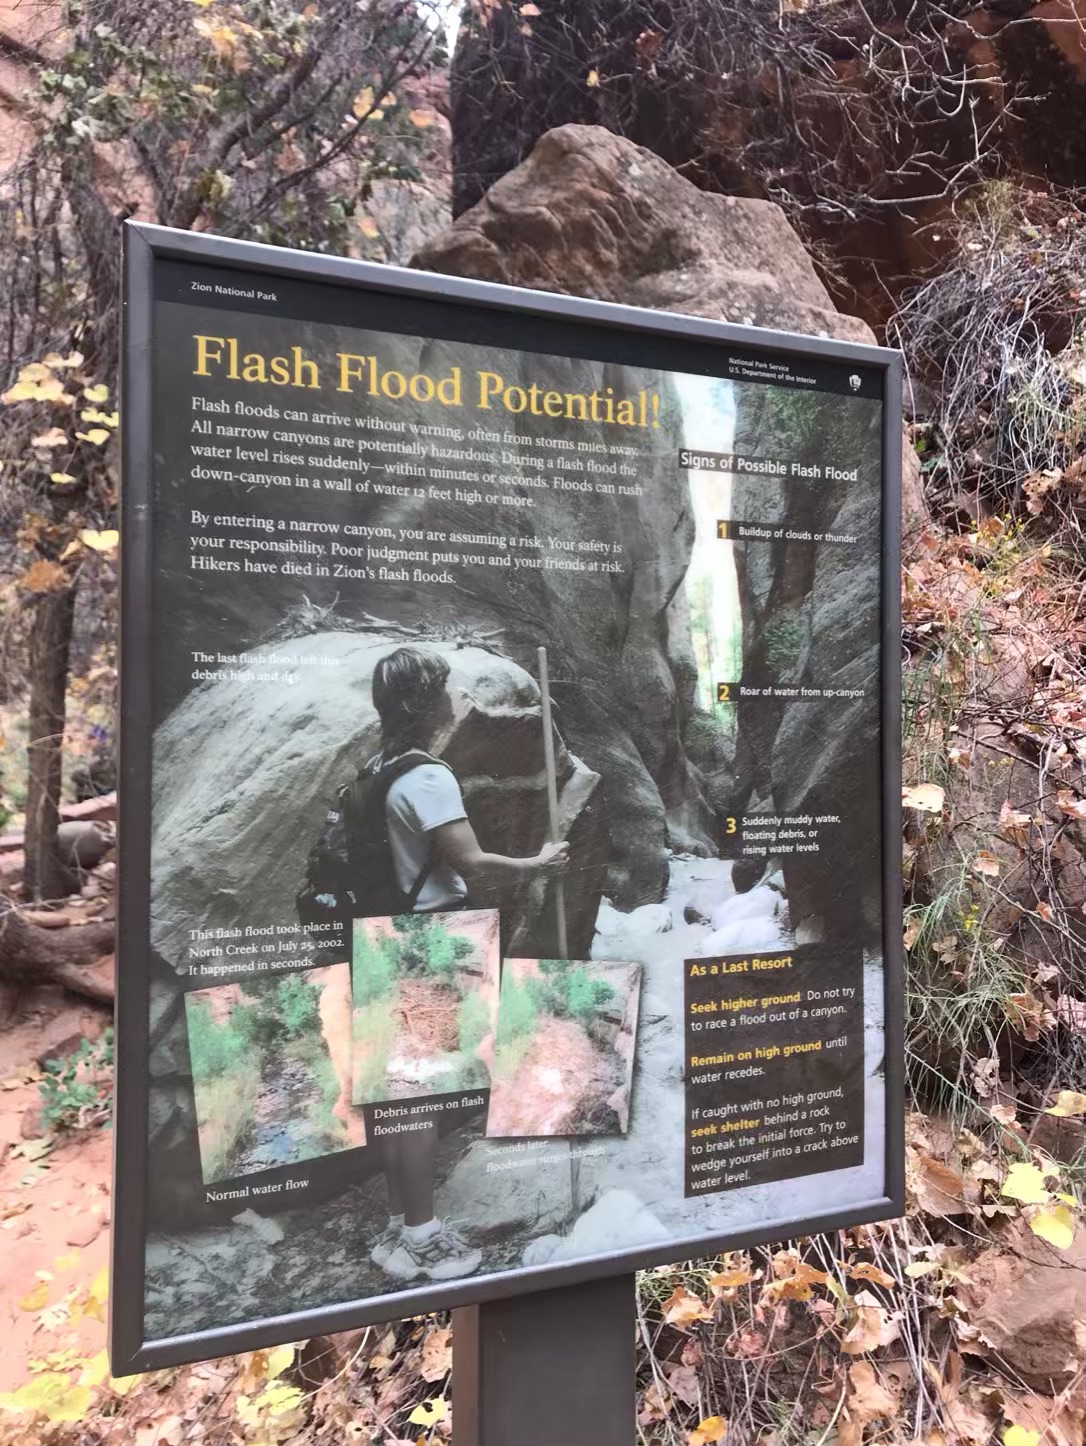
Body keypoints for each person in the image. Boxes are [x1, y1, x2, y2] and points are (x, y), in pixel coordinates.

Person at [365, 646, 568, 1282]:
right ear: (427, 704)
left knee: (398, 1092)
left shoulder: (376, 769)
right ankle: (424, 1234)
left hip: (382, 936)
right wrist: (540, 863)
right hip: (431, 940)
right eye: (448, 692)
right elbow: (471, 862)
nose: (458, 702)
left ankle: (401, 1228)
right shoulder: (428, 776)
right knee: (421, 1094)